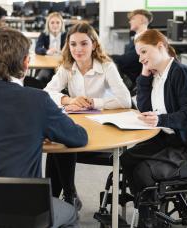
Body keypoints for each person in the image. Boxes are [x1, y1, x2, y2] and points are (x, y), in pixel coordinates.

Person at [0, 27, 88, 228]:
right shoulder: (37, 100)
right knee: (71, 213)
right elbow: (79, 138)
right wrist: (42, 129)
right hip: (24, 209)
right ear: (26, 62)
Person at [120, 29, 187, 225]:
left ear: (160, 47)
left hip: (186, 143)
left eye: (144, 52)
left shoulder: (181, 73)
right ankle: (148, 206)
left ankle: (151, 219)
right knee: (125, 160)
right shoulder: (156, 74)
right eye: (138, 55)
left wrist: (161, 120)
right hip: (164, 138)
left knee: (143, 171)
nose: (140, 59)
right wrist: (144, 78)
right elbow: (145, 109)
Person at [44, 22, 131, 209]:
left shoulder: (107, 67)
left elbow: (125, 100)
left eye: (84, 43)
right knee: (57, 144)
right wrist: (67, 100)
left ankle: (61, 198)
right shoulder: (67, 67)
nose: (78, 49)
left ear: (94, 44)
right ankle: (63, 197)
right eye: (73, 44)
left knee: (60, 145)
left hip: (102, 131)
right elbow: (46, 93)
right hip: (78, 126)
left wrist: (93, 102)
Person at [111, 9, 153, 87]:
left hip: (133, 79)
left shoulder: (146, 40)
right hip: (128, 73)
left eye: (133, 19)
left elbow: (127, 60)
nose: (130, 22)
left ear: (142, 20)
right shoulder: (136, 37)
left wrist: (105, 56)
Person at [35, 12, 67, 83]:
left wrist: (63, 52)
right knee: (42, 77)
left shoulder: (66, 35)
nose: (55, 25)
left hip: (62, 64)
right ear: (48, 24)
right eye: (52, 23)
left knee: (63, 79)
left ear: (62, 24)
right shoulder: (44, 34)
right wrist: (46, 51)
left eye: (58, 23)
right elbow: (37, 49)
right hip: (47, 63)